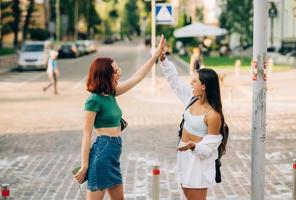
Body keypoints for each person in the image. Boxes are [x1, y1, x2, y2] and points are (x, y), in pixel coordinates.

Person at [73, 35, 165, 200]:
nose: (119, 73)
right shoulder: (93, 100)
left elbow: (136, 78)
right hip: (102, 152)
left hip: (113, 153)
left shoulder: (111, 93)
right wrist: (85, 165)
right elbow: (86, 134)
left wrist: (155, 56)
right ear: (104, 74)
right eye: (115, 71)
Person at [159, 48, 229, 200]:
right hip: (184, 156)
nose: (191, 82)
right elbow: (174, 81)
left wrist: (194, 146)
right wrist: (164, 60)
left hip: (198, 162)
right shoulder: (191, 99)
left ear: (203, 86)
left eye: (195, 80)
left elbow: (209, 149)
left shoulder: (213, 115)